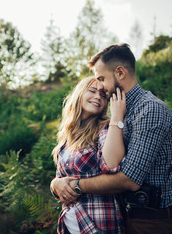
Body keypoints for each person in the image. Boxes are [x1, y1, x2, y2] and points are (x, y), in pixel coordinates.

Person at [51, 43, 172, 234]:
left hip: (152, 222)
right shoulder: (122, 111)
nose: (101, 88)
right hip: (126, 218)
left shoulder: (150, 110)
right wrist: (55, 183)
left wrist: (75, 186)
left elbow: (129, 179)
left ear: (120, 73)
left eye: (102, 79)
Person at [50, 76, 127, 233]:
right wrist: (54, 185)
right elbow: (61, 181)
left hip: (98, 225)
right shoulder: (67, 136)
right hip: (70, 225)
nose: (98, 96)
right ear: (79, 94)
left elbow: (113, 169)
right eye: (92, 91)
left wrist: (117, 116)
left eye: (103, 95)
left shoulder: (104, 129)